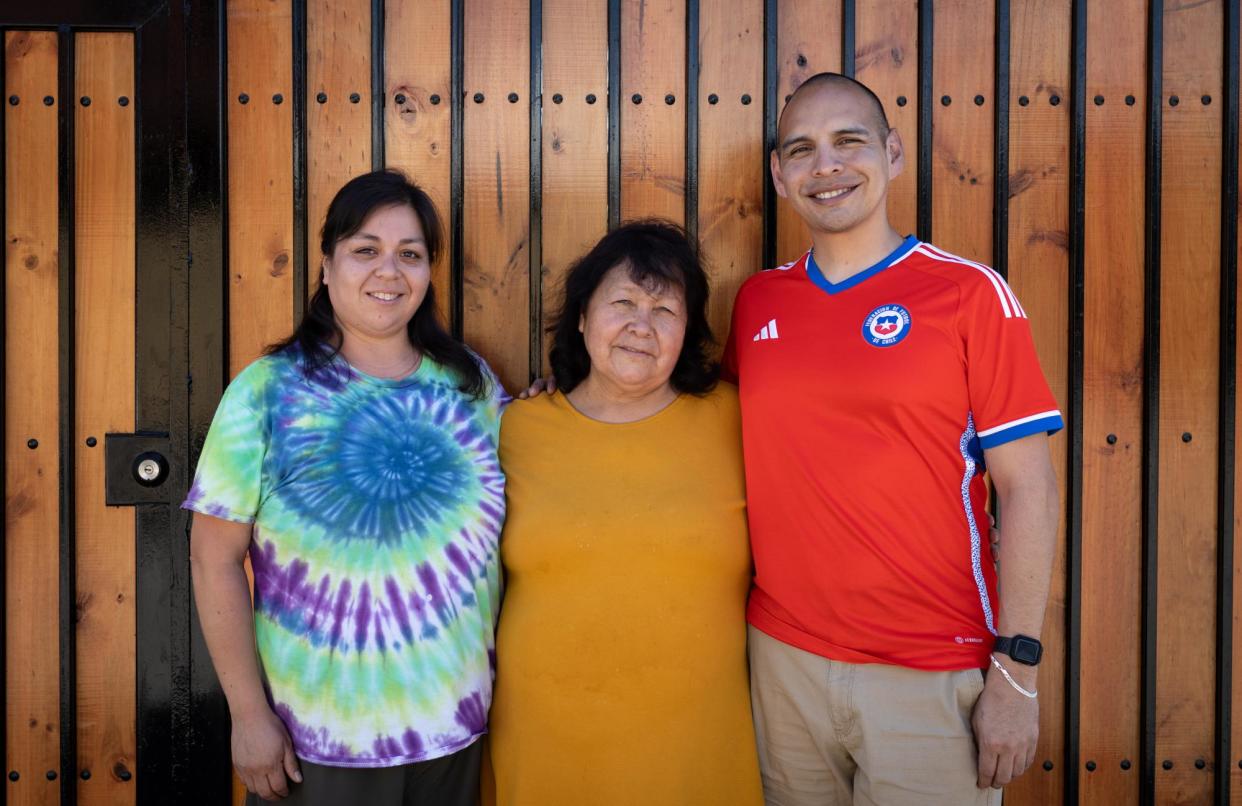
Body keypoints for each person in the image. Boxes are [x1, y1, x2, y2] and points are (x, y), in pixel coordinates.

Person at [723, 72, 1062, 805]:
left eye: (850, 142)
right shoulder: (757, 303)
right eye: (802, 150)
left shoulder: (969, 294)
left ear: (894, 153)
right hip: (784, 662)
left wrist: (1017, 674)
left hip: (930, 675)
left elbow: (1028, 488)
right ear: (781, 174)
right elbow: (700, 427)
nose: (828, 165)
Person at [186, 170, 507, 805]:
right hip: (319, 747)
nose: (389, 271)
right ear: (327, 266)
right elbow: (211, 558)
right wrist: (249, 718)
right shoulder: (268, 391)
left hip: (456, 736)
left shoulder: (473, 388)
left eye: (409, 255)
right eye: (366, 250)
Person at [485, 221, 764, 806]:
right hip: (546, 738)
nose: (642, 324)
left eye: (666, 309)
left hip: (695, 742)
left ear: (686, 332)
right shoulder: (516, 429)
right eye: (623, 302)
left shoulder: (736, 421)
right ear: (583, 317)